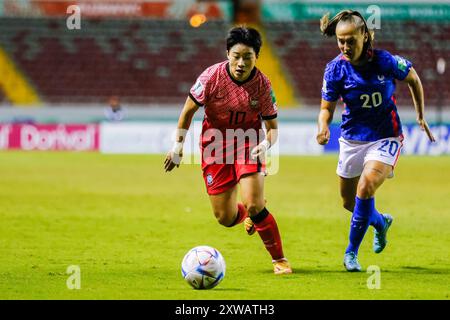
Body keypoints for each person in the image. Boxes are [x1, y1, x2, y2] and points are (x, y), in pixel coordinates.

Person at [164, 26, 292, 275]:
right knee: (224, 217)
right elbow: (188, 111)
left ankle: (279, 259)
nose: (241, 63)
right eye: (236, 56)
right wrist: (177, 146)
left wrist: (265, 143)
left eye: (248, 57)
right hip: (215, 145)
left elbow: (273, 128)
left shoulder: (263, 86)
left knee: (255, 204)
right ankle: (249, 215)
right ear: (227, 54)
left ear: (257, 57)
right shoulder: (211, 77)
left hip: (248, 142)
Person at [316, 10, 435, 272]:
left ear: (365, 36)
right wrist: (323, 127)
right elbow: (326, 108)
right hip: (351, 139)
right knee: (349, 202)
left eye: (350, 40)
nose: (345, 46)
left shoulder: (385, 61)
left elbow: (413, 78)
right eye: (340, 41)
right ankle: (380, 222)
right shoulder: (335, 69)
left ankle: (351, 254)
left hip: (386, 135)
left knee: (365, 186)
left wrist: (420, 115)